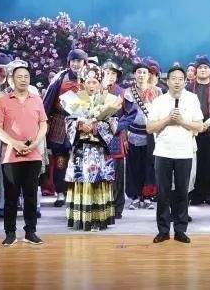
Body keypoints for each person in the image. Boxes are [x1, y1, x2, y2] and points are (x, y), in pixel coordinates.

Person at [0, 60, 48, 246]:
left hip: (33, 154)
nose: (23, 79)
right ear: (11, 79)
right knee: (11, 196)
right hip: (11, 155)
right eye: (19, 77)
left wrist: (35, 143)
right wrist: (15, 143)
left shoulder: (37, 99)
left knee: (31, 195)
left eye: (26, 76)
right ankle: (10, 232)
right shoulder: (3, 101)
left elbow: (43, 124)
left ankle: (30, 231)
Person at [148, 64, 204, 243]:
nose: (177, 82)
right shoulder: (159, 101)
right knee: (162, 193)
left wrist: (181, 121)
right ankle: (163, 230)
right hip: (163, 151)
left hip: (184, 152)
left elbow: (199, 126)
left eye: (181, 79)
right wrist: (167, 120)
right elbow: (150, 128)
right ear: (167, 81)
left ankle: (180, 230)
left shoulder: (192, 99)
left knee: (182, 192)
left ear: (185, 81)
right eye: (174, 79)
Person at [65, 67, 121, 231]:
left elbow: (113, 124)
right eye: (88, 82)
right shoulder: (76, 99)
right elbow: (68, 121)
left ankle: (97, 219)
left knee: (98, 180)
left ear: (100, 83)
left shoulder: (108, 100)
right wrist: (79, 125)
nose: (91, 85)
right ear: (83, 83)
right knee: (81, 179)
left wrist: (96, 126)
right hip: (81, 150)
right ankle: (81, 218)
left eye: (95, 82)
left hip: (99, 150)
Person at [42, 50, 93, 207]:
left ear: (85, 63)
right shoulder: (60, 77)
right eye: (73, 61)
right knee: (60, 159)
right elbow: (48, 101)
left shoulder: (89, 78)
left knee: (80, 157)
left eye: (79, 61)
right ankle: (60, 193)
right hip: (60, 121)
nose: (76, 64)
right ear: (69, 62)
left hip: (82, 122)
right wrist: (44, 121)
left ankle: (78, 193)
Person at [187, 55, 210, 207]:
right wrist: (195, 125)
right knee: (196, 165)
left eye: (205, 67)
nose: (202, 70)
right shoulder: (188, 88)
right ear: (196, 70)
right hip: (193, 132)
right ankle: (196, 195)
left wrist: (207, 123)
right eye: (200, 67)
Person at [124, 62, 161, 209]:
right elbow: (123, 114)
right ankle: (135, 196)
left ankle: (148, 196)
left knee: (150, 166)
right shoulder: (128, 92)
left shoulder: (157, 91)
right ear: (134, 74)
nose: (141, 75)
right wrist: (124, 136)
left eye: (144, 72)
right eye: (139, 72)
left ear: (149, 75)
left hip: (151, 134)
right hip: (132, 133)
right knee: (134, 166)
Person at [103, 60, 133, 219]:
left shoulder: (123, 92)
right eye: (107, 73)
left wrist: (118, 126)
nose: (110, 76)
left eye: (113, 73)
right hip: (97, 138)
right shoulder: (95, 90)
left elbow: (131, 114)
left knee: (117, 176)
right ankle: (101, 206)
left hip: (115, 138)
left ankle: (117, 208)